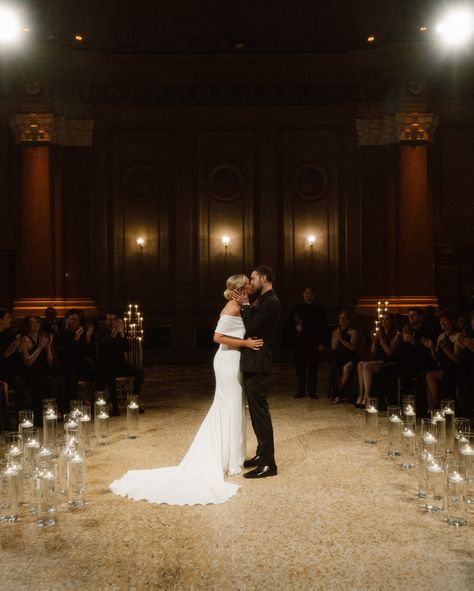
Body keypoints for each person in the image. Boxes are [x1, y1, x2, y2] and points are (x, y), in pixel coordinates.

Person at [110, 274, 263, 505]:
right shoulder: (231, 307)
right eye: (248, 283)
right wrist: (246, 344)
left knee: (233, 406)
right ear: (240, 288)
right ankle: (229, 459)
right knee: (229, 406)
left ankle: (232, 456)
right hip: (227, 360)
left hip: (234, 361)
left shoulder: (241, 306)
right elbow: (218, 337)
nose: (252, 285)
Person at [232, 265, 281, 479]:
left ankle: (269, 464)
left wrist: (244, 306)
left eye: (253, 278)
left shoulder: (272, 302)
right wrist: (247, 306)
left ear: (264, 278)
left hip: (259, 362)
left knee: (260, 413)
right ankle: (261, 456)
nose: (251, 282)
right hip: (253, 362)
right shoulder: (263, 299)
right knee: (255, 411)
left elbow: (251, 329)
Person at [95, 312, 144, 415]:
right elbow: (104, 350)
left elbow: (127, 348)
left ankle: (134, 403)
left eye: (113, 320)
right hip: (108, 366)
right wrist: (113, 334)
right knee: (110, 374)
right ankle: (115, 407)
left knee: (139, 372)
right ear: (105, 321)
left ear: (117, 321)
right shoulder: (101, 333)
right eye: (109, 320)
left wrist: (121, 334)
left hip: (121, 366)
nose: (111, 322)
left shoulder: (120, 333)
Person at [287, 285, 327, 399]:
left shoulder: (320, 310)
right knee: (300, 369)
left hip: (314, 344)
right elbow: (287, 326)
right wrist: (295, 328)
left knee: (313, 369)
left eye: (310, 294)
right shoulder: (295, 309)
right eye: (306, 293)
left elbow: (324, 328)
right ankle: (300, 391)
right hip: (300, 344)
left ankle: (312, 391)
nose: (308, 296)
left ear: (314, 296)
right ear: (303, 294)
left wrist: (322, 343)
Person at [328, 310, 359, 404]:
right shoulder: (335, 331)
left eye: (345, 318)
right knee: (336, 367)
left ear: (349, 320)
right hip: (339, 357)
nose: (342, 320)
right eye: (340, 318)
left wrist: (341, 339)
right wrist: (337, 336)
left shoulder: (353, 332)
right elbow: (333, 347)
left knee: (346, 368)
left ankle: (338, 394)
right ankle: (338, 393)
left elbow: (352, 347)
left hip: (350, 357)